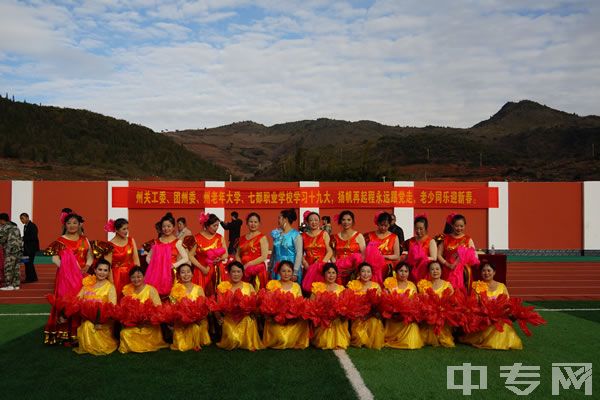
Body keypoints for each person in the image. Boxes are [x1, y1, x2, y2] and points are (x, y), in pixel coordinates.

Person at [43, 212, 93, 345]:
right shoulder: (60, 240)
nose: (72, 226)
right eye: (69, 223)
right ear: (65, 225)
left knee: (80, 302)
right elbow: (54, 258)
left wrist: (88, 265)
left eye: (75, 223)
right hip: (65, 277)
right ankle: (63, 334)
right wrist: (67, 269)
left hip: (82, 276)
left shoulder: (85, 239)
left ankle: (78, 334)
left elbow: (90, 255)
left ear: (79, 224)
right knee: (66, 303)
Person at [460, 263, 523, 350]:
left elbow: (507, 302)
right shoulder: (477, 285)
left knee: (502, 324)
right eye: (484, 271)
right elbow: (474, 303)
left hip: (499, 316)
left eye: (489, 271)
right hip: (483, 317)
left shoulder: (502, 286)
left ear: (494, 272)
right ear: (481, 273)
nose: (486, 273)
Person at [118, 266, 168, 353]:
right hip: (134, 325)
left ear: (144, 277)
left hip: (150, 326)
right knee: (124, 333)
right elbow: (124, 309)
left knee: (128, 334)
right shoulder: (127, 290)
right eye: (133, 277)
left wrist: (146, 321)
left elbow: (158, 309)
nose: (136, 279)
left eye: (139, 276)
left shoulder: (151, 290)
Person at [74, 258, 118, 355]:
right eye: (100, 269)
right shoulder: (87, 284)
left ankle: (93, 346)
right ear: (95, 270)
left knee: (88, 326)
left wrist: (101, 321)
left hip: (103, 324)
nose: (102, 273)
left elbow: (112, 309)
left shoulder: (110, 287)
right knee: (87, 325)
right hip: (86, 320)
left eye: (105, 270)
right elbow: (77, 300)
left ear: (108, 272)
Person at [215, 261, 263, 351]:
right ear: (229, 273)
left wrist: (253, 312)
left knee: (248, 320)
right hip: (229, 318)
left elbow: (255, 303)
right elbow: (217, 305)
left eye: (238, 271)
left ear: (242, 273)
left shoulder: (249, 286)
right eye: (233, 272)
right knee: (232, 340)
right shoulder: (223, 287)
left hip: (245, 318)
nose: (236, 274)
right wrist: (218, 317)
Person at [262, 260, 309, 349]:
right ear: (279, 272)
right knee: (281, 339)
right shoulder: (272, 284)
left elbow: (300, 303)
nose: (286, 274)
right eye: (283, 271)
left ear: (292, 272)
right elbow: (267, 303)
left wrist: (292, 315)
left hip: (292, 319)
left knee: (303, 321)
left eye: (289, 271)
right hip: (276, 319)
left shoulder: (296, 286)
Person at [145, 213, 189, 298]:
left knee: (172, 297)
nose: (166, 229)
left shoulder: (177, 242)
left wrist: (174, 265)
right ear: (161, 228)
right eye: (164, 226)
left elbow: (185, 258)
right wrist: (154, 265)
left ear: (173, 227)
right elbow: (148, 257)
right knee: (156, 296)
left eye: (169, 226)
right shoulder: (156, 242)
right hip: (157, 275)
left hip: (171, 274)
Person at [169, 263, 211, 351]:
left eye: (188, 272)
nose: (186, 275)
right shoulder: (175, 289)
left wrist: (197, 317)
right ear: (179, 275)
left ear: (192, 274)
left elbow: (204, 306)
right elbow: (173, 308)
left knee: (196, 327)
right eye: (183, 272)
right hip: (182, 322)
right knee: (181, 346)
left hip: (198, 321)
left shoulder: (199, 289)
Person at [383, 263, 424, 349]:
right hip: (392, 318)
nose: (403, 273)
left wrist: (407, 315)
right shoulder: (390, 283)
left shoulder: (412, 285)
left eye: (406, 271)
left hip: (406, 319)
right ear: (396, 272)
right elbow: (384, 301)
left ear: (409, 273)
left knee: (413, 332)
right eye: (401, 271)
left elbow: (415, 303)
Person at [186, 212, 228, 296]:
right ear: (207, 226)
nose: (216, 228)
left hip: (218, 269)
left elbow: (226, 254)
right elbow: (190, 256)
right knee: (200, 295)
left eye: (217, 225)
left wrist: (221, 258)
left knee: (219, 295)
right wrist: (202, 268)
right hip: (202, 270)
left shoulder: (219, 237)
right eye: (214, 226)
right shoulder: (196, 238)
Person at [310, 263, 350, 350]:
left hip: (337, 319)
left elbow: (346, 307)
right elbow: (311, 304)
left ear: (336, 274)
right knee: (322, 342)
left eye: (333, 273)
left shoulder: (341, 288)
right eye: (328, 273)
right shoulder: (317, 287)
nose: (331, 275)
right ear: (324, 274)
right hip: (323, 319)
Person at [347, 262, 384, 349]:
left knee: (374, 322)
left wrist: (371, 313)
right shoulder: (353, 284)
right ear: (359, 273)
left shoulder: (376, 286)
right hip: (358, 316)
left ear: (371, 274)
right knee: (359, 338)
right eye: (363, 271)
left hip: (371, 315)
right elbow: (349, 302)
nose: (365, 274)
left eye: (368, 272)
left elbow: (380, 304)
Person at [417, 261, 455, 347]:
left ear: (441, 271)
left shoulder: (447, 285)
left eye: (437, 269)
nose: (435, 271)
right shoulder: (424, 285)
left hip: (443, 316)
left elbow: (451, 302)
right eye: (432, 269)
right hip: (429, 316)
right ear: (429, 272)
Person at [438, 214, 477, 293]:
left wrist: (462, 262)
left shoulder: (468, 239)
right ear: (452, 225)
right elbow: (438, 254)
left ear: (465, 225)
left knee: (461, 295)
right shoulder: (446, 239)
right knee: (447, 293)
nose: (459, 228)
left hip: (462, 272)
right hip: (447, 270)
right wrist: (447, 264)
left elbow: (474, 256)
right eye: (456, 226)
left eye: (461, 226)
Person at [103, 218, 140, 300]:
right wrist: (111, 282)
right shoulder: (110, 245)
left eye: (127, 228)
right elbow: (107, 266)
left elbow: (136, 260)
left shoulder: (131, 240)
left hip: (131, 274)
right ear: (116, 229)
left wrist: (138, 275)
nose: (126, 231)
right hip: (117, 276)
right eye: (124, 229)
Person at [364, 211, 400, 285]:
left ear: (390, 225)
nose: (383, 228)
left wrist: (383, 256)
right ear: (377, 223)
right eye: (381, 225)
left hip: (387, 266)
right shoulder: (369, 236)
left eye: (386, 225)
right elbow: (364, 253)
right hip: (372, 266)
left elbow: (397, 256)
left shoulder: (394, 237)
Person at [301, 211, 333, 293]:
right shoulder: (303, 236)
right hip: (308, 266)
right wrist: (305, 263)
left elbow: (329, 251)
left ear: (319, 222)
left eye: (316, 220)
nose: (314, 222)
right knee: (308, 290)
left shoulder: (324, 234)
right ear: (307, 222)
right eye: (311, 220)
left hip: (321, 267)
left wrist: (323, 263)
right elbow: (300, 253)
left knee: (321, 291)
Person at [331, 210, 365, 286]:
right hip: (339, 271)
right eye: (343, 220)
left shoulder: (359, 236)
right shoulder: (335, 237)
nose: (346, 222)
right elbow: (332, 255)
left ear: (353, 221)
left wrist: (356, 270)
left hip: (354, 270)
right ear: (340, 221)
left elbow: (363, 255)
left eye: (349, 220)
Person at [235, 212, 269, 289]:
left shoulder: (262, 237)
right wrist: (240, 266)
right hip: (243, 269)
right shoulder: (241, 238)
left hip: (257, 270)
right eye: (251, 222)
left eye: (255, 222)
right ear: (247, 223)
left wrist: (249, 264)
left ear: (259, 223)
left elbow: (264, 256)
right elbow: (237, 254)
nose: (253, 224)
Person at [269, 209, 303, 284]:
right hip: (277, 267)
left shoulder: (296, 235)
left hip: (290, 268)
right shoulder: (277, 234)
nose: (278, 220)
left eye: (279, 218)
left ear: (285, 219)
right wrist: (270, 267)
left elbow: (299, 254)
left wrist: (295, 272)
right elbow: (274, 253)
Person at [403, 214, 437, 283]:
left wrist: (421, 257)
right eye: (416, 228)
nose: (418, 231)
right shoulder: (410, 241)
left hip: (424, 271)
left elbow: (434, 258)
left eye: (421, 229)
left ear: (426, 228)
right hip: (411, 271)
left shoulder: (430, 241)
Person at [0, 213, 23, 291]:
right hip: (18, 250)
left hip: (9, 250)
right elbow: (20, 238)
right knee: (16, 268)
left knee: (8, 268)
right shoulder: (15, 227)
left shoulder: (4, 228)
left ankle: (9, 285)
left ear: (2, 220)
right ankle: (16, 285)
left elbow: (2, 239)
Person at [20, 213, 39, 283]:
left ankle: (30, 278)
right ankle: (32, 278)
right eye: (20, 219)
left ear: (27, 217)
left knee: (29, 263)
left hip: (31, 248)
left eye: (22, 218)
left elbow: (33, 237)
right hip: (26, 248)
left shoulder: (32, 226)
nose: (21, 220)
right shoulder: (25, 226)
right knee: (27, 263)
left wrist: (23, 238)